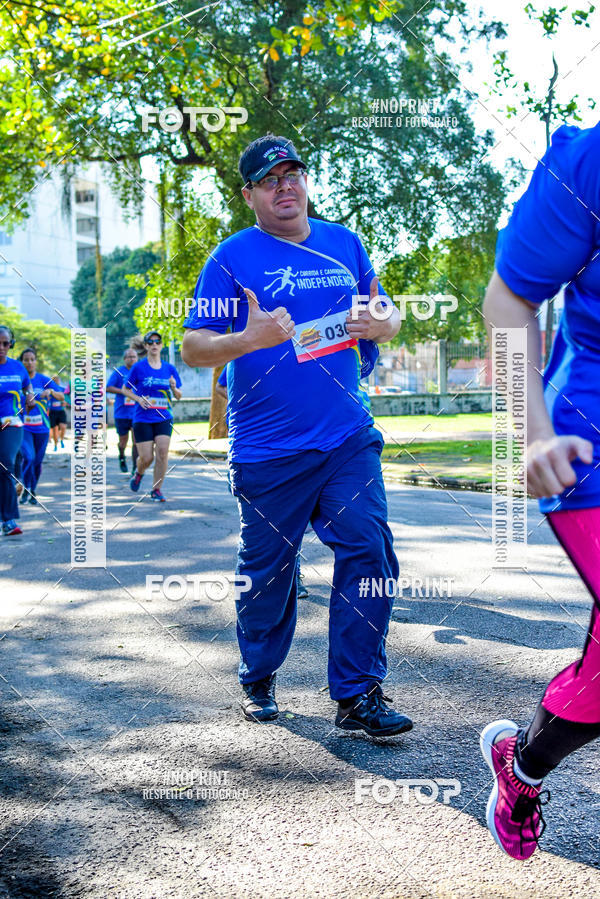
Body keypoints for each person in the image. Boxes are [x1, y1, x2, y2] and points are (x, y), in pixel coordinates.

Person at [182, 133, 411, 736]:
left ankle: (358, 693)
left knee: (369, 548)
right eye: (269, 180)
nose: (284, 186)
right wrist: (247, 339)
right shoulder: (230, 258)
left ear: (305, 182)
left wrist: (380, 322)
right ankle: (258, 675)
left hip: (346, 437)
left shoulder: (345, 244)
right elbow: (194, 346)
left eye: (292, 175)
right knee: (269, 574)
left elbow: (387, 313)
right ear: (249, 195)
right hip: (267, 449)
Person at [480, 121, 600, 861]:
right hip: (585, 442)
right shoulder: (589, 164)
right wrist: (531, 433)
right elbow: (507, 303)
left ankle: (521, 766)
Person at [123, 331, 182, 502]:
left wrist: (174, 388)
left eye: (157, 342)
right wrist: (138, 399)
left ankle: (156, 489)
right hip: (143, 418)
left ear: (161, 345)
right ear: (146, 346)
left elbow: (179, 395)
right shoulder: (138, 367)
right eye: (151, 342)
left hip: (164, 416)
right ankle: (139, 473)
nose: (154, 345)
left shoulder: (169, 368)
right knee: (146, 458)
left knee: (162, 453)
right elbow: (125, 389)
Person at [0, 325, 35, 535]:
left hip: (12, 423)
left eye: (5, 343)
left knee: (6, 464)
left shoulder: (17, 367)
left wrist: (29, 395)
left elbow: (27, 385)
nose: (1, 347)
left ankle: (9, 520)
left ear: (11, 345)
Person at [18, 348, 63, 505]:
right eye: (26, 360)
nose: (29, 362)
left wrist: (50, 391)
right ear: (21, 362)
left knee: (37, 462)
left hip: (42, 428)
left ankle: (32, 490)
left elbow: (62, 396)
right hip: (24, 427)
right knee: (28, 457)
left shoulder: (43, 379)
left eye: (32, 359)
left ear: (36, 361)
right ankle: (25, 487)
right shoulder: (18, 380)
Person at [107, 347, 139, 474]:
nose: (132, 359)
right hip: (122, 413)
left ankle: (135, 468)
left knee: (136, 441)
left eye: (134, 357)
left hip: (137, 412)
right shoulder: (119, 372)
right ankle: (121, 456)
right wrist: (124, 391)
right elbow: (108, 387)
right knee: (123, 440)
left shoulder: (140, 371)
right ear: (125, 359)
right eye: (129, 357)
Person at [49, 374, 69, 451]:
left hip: (61, 411)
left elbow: (68, 399)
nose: (56, 381)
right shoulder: (49, 390)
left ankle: (62, 440)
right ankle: (55, 445)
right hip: (53, 411)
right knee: (55, 429)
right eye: (54, 380)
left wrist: (65, 402)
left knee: (63, 427)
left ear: (59, 380)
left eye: (57, 379)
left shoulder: (63, 389)